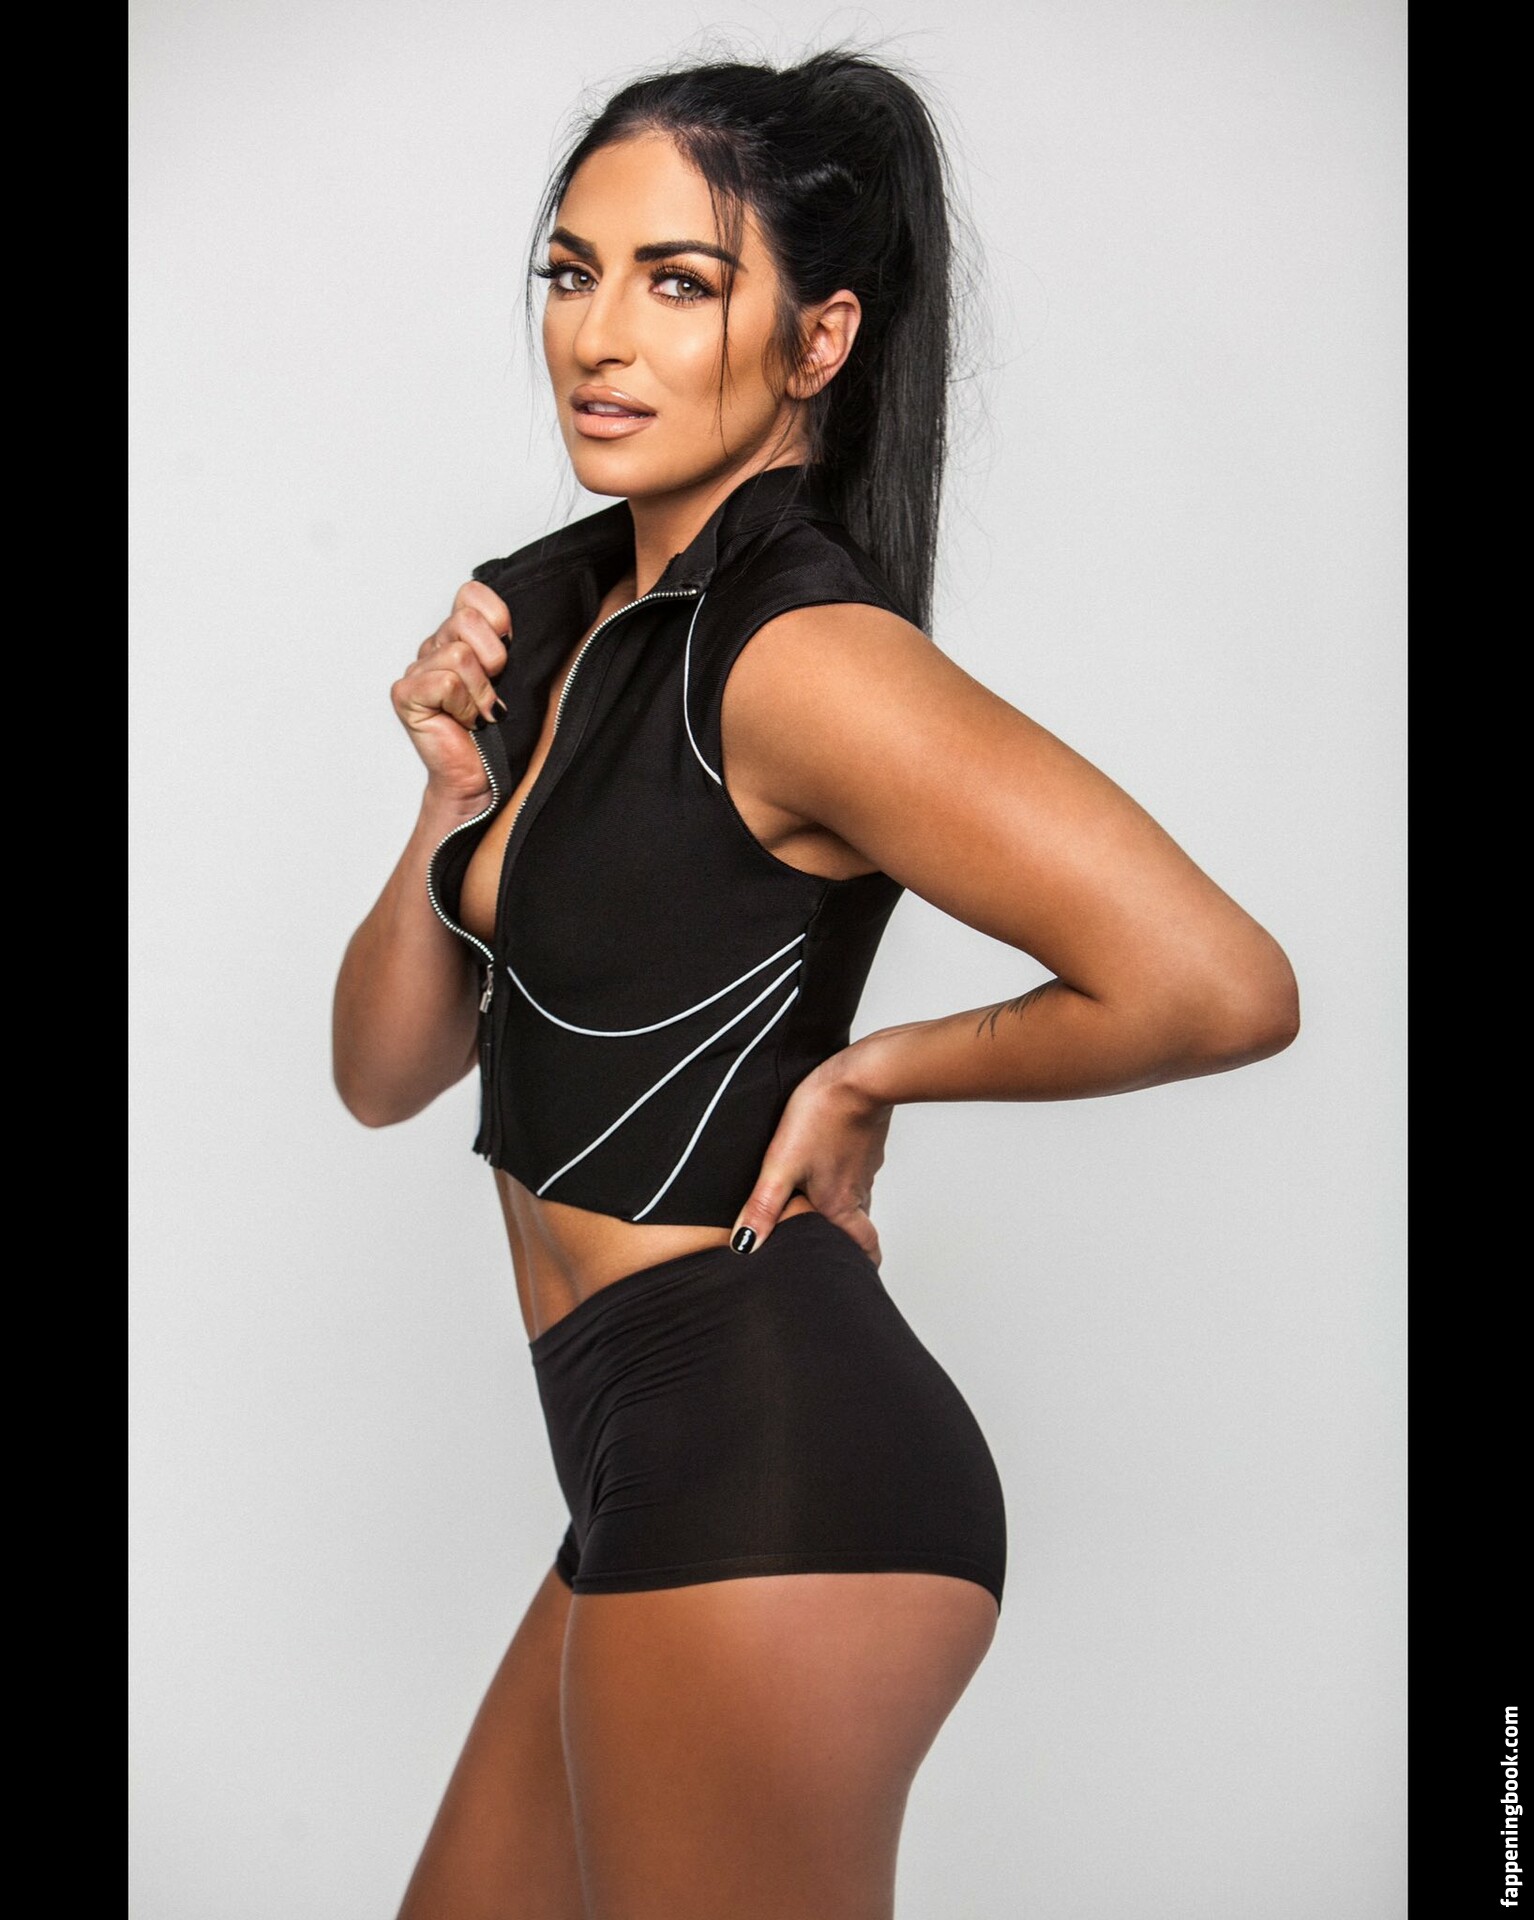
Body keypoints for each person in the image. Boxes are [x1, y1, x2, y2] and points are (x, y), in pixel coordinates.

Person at [332, 46, 1299, 1920]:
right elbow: (384, 1074)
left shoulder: (799, 658)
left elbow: (1218, 981)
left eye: (679, 282)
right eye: (572, 271)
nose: (601, 335)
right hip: (640, 1451)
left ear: (818, 338)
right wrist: (450, 800)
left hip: (763, 1451)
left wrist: (873, 1074)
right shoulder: (564, 628)